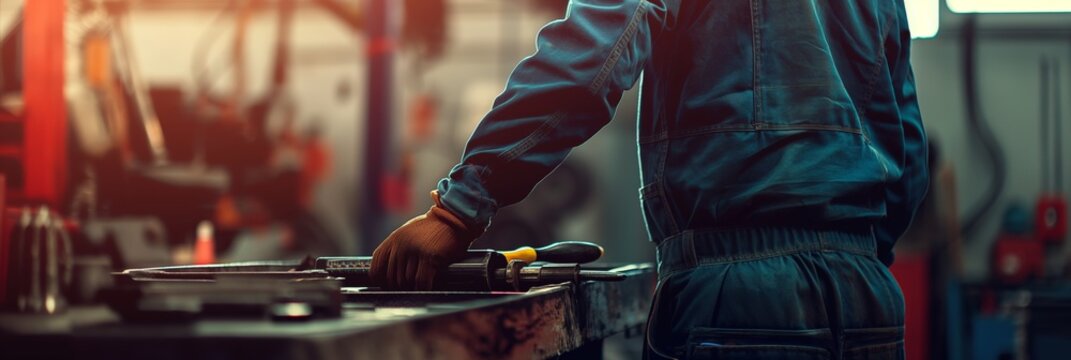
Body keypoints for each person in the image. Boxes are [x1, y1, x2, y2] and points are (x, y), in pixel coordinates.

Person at [370, 0, 928, 358]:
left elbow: (593, 57)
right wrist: (850, 257)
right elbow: (904, 140)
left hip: (740, 301)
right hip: (868, 298)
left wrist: (459, 208)